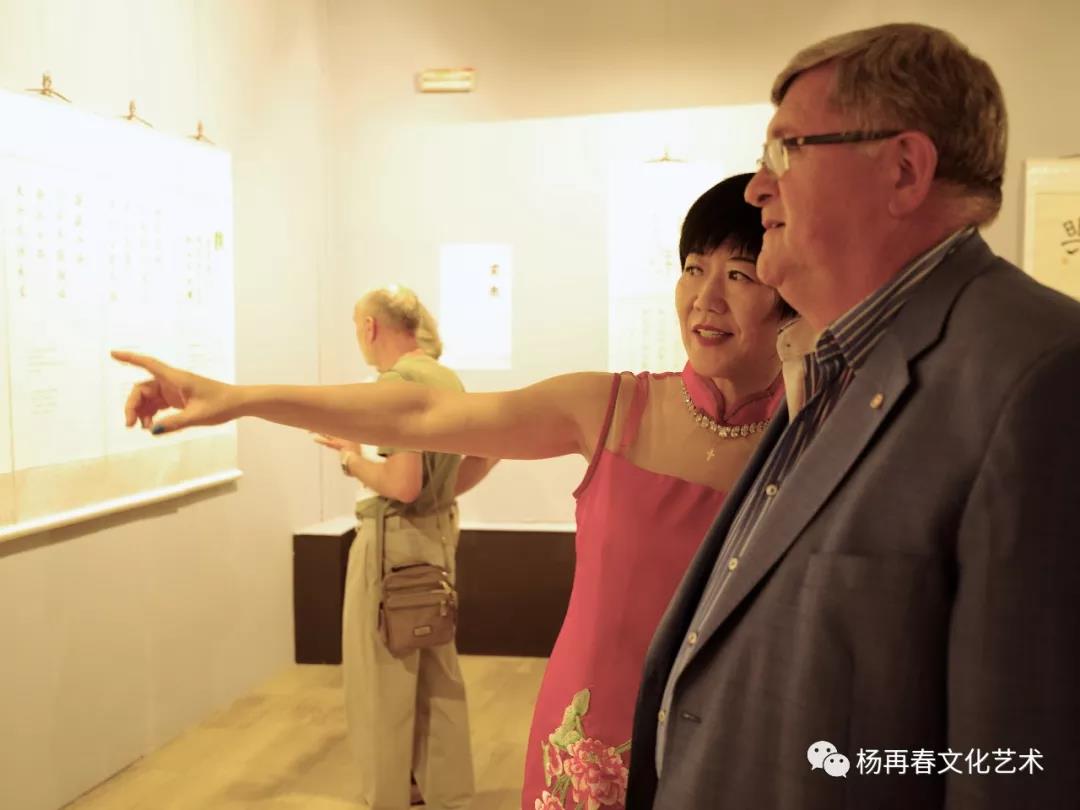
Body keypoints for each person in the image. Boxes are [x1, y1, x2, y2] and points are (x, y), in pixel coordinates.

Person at [112, 173, 793, 810]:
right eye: (693, 268)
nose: (706, 298)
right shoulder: (613, 407)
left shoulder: (811, 435)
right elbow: (419, 414)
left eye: (739, 274)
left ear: (787, 286)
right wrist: (239, 398)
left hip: (740, 738)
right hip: (590, 743)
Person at [625, 23, 1080, 810]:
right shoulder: (838, 359)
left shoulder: (1040, 375)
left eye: (784, 151)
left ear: (904, 170)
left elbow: (1021, 766)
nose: (757, 189)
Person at [308, 287, 496, 810]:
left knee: (381, 681)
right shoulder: (445, 378)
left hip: (391, 543)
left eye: (357, 328)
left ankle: (388, 797)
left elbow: (403, 483)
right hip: (437, 537)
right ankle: (447, 793)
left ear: (370, 327)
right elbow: (485, 456)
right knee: (437, 671)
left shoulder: (396, 384)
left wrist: (351, 458)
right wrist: (440, 497)